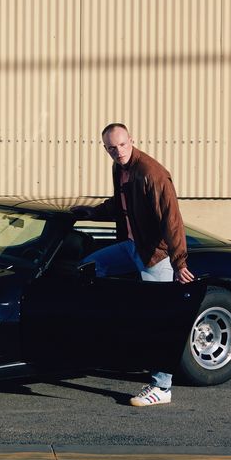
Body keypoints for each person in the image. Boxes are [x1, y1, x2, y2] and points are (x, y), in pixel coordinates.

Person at [78, 122, 194, 407]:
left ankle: (162, 387)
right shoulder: (120, 168)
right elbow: (120, 204)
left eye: (122, 145)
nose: (118, 152)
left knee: (158, 318)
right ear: (105, 148)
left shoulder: (152, 174)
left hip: (155, 255)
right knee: (89, 267)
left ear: (132, 140)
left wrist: (179, 263)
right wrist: (92, 212)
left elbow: (172, 220)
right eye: (111, 148)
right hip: (131, 246)